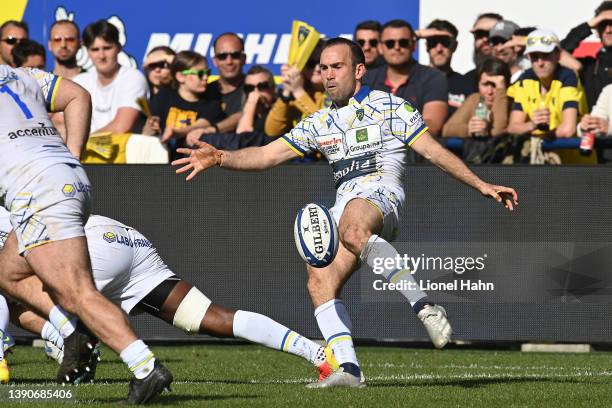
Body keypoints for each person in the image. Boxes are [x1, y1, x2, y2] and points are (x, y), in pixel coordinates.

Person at [172, 38, 518, 388]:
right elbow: (266, 155)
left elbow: (433, 151)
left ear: (358, 70)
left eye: (336, 66)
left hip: (381, 192)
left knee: (352, 229)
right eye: (323, 68)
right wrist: (220, 158)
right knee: (319, 278)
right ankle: (350, 371)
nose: (328, 74)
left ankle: (425, 306)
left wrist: (481, 184)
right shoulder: (318, 122)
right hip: (346, 202)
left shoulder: (390, 107)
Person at [0, 210, 338, 384]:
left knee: (15, 289)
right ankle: (318, 354)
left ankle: (59, 342)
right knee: (210, 316)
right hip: (123, 237)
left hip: (90, 242)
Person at [0, 64, 172, 403]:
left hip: (37, 191)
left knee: (77, 292)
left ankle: (145, 367)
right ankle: (71, 332)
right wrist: (72, 156)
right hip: (65, 178)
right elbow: (78, 94)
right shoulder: (19, 74)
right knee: (8, 270)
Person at [364, 19, 448, 138]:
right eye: (390, 43)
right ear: (380, 47)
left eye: (403, 42)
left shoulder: (434, 77)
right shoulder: (367, 78)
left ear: (414, 45)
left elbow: (432, 126)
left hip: (415, 154)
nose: (397, 47)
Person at [143, 50, 225, 159]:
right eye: (200, 74)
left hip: (194, 162)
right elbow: (147, 131)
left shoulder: (211, 101)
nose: (206, 77)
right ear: (180, 76)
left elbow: (202, 124)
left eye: (207, 73)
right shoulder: (164, 95)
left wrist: (175, 132)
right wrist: (151, 126)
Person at [507, 29, 587, 139]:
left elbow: (568, 130)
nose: (540, 63)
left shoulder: (568, 77)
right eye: (535, 56)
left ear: (558, 55)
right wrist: (532, 125)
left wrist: (539, 140)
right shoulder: (525, 79)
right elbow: (513, 127)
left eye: (545, 55)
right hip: (538, 154)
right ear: (529, 57)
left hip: (570, 153)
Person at [73, 20, 148, 134]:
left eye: (107, 48)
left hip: (124, 150)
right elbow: (60, 121)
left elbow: (121, 127)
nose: (101, 56)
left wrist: (81, 143)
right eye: (95, 49)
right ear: (87, 51)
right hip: (84, 150)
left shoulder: (133, 78)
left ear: (118, 48)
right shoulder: (80, 82)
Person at [443, 58, 511, 163]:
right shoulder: (475, 99)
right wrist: (470, 130)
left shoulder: (510, 100)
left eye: (495, 85)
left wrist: (501, 91)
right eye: (485, 84)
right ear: (478, 84)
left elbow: (499, 130)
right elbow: (447, 129)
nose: (489, 91)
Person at [264, 40, 328, 138]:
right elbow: (272, 130)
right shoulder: (298, 90)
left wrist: (298, 92)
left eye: (321, 63)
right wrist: (287, 92)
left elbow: (327, 129)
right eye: (310, 63)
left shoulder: (338, 91)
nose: (317, 69)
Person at [561, 1, 612, 110]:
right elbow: (555, 55)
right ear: (597, 30)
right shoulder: (589, 67)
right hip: (593, 125)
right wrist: (588, 25)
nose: (608, 30)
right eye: (603, 24)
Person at [421, 19, 472, 117]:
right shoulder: (413, 80)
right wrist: (417, 35)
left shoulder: (467, 84)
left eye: (445, 42)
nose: (439, 49)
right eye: (433, 42)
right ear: (426, 45)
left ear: (455, 46)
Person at [207, 32, 246, 133]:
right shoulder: (204, 91)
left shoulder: (257, 87)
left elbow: (246, 114)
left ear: (244, 59)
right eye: (222, 56)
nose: (229, 61)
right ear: (215, 61)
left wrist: (213, 129)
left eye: (235, 55)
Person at [464, 13, 503, 92]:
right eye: (479, 34)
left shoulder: (516, 79)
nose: (485, 39)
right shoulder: (465, 81)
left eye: (490, 34)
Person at [236, 65, 277, 134]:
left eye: (262, 86)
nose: (256, 92)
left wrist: (251, 102)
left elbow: (244, 133)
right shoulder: (245, 113)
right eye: (249, 88)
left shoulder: (280, 112)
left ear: (273, 88)